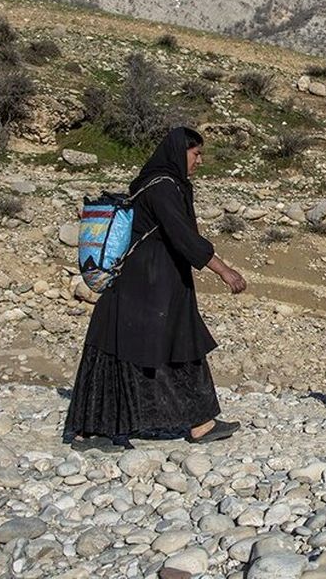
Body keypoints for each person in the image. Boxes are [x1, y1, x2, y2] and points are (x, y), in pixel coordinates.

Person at [63, 126, 247, 446]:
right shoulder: (162, 187)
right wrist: (224, 271)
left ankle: (199, 423)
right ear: (179, 152)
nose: (200, 160)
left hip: (155, 284)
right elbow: (183, 237)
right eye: (196, 153)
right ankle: (90, 430)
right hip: (148, 285)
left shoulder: (159, 183)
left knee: (169, 346)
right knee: (159, 348)